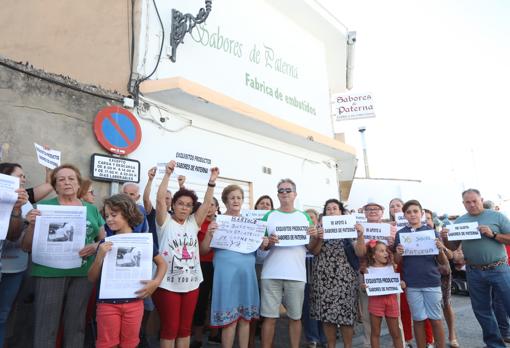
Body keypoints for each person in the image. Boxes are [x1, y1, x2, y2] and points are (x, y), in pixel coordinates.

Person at [21, 164, 105, 348]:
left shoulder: (91, 209)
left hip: (83, 274)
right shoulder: (43, 207)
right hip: (49, 273)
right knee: (46, 326)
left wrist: (94, 246)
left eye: (71, 178)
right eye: (61, 179)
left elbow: (104, 240)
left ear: (78, 183)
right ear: (55, 185)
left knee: (76, 325)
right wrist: (32, 225)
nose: (67, 182)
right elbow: (26, 246)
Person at [152, 161, 219, 348]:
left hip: (192, 284)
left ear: (192, 209)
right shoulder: (164, 222)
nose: (184, 207)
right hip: (167, 285)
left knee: (184, 329)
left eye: (188, 205)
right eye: (180, 203)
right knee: (170, 328)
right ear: (173, 204)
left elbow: (206, 204)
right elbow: (158, 200)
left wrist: (212, 182)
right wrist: (167, 175)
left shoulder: (193, 223)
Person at [87, 194, 167, 348]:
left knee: (130, 344)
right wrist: (99, 257)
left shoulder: (143, 242)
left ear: (127, 213)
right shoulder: (105, 243)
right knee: (106, 344)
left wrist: (155, 283)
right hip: (107, 304)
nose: (109, 219)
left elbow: (162, 264)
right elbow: (91, 278)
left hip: (134, 303)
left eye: (113, 214)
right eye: (107, 215)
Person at [441, 189, 510, 348]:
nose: (472, 205)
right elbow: (453, 246)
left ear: (481, 199)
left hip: (499, 268)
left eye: (475, 201)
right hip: (474, 271)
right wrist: (446, 238)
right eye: (468, 202)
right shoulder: (459, 221)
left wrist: (492, 234)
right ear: (463, 203)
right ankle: (494, 344)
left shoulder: (496, 216)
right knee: (482, 311)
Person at [201, 185, 266, 348]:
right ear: (225, 201)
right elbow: (203, 251)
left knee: (245, 318)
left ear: (242, 200)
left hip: (246, 273)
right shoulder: (218, 222)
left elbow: (260, 248)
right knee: (229, 319)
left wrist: (264, 242)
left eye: (239, 197)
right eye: (232, 198)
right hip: (226, 276)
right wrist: (209, 234)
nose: (236, 201)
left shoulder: (251, 223)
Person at [260, 179, 318, 348]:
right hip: (271, 274)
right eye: (281, 190)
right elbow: (261, 248)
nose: (284, 193)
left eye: (288, 190)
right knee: (269, 318)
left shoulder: (304, 216)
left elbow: (311, 248)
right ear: (277, 194)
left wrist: (315, 237)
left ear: (295, 194)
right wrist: (268, 242)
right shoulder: (268, 216)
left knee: (295, 317)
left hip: (297, 274)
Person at [309, 198, 365, 348]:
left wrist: (360, 236)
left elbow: (360, 253)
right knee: (327, 317)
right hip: (324, 278)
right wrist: (319, 237)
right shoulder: (319, 228)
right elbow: (313, 251)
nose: (332, 211)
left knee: (346, 317)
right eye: (328, 209)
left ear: (341, 212)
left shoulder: (350, 228)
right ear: (325, 213)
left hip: (345, 279)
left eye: (335, 208)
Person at [394, 200, 448, 348]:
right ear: (404, 215)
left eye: (415, 211)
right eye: (409, 212)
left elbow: (442, 260)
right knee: (418, 319)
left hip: (431, 281)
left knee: (435, 319)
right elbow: (397, 260)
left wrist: (441, 249)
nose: (412, 214)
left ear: (421, 213)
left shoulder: (431, 232)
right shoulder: (401, 234)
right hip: (412, 283)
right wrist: (398, 253)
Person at [389, 198, 433, 348]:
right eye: (392, 206)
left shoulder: (425, 228)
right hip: (400, 268)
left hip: (421, 269)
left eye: (398, 205)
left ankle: (429, 339)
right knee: (405, 308)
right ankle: (407, 339)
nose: (395, 208)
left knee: (424, 308)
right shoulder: (391, 228)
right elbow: (395, 255)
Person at [0, 162, 30, 346]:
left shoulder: (26, 201)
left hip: (15, 268)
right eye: (20, 175)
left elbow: (13, 236)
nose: (24, 179)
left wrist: (18, 209)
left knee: (3, 315)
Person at [424, 209, 459, 348]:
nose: (425, 221)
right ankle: (431, 338)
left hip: (441, 273)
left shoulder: (438, 235)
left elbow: (451, 256)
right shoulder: (414, 234)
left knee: (446, 304)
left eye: (428, 218)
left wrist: (442, 247)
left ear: (433, 221)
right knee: (428, 307)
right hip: (424, 274)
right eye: (423, 219)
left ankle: (452, 335)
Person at [190, 197, 221, 348]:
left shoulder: (223, 223)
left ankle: (215, 334)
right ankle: (198, 337)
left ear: (217, 207)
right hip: (201, 265)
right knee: (201, 301)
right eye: (206, 206)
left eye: (212, 205)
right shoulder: (197, 224)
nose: (209, 208)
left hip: (220, 265)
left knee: (217, 300)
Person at [363, 240, 404, 348]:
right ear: (373, 256)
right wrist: (364, 287)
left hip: (391, 301)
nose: (386, 253)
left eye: (386, 251)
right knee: (375, 332)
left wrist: (401, 283)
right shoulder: (368, 270)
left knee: (395, 333)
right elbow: (365, 287)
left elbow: (397, 283)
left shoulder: (392, 267)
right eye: (381, 251)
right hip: (375, 302)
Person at [248, 195, 275, 348]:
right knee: (253, 310)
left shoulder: (276, 223)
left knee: (268, 311)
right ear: (256, 207)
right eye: (262, 203)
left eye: (268, 204)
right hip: (253, 269)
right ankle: (250, 343)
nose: (265, 206)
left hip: (271, 270)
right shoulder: (249, 222)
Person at [302, 208, 327, 348]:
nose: (309, 220)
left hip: (320, 271)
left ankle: (323, 337)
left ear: (317, 219)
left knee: (322, 306)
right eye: (307, 217)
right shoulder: (300, 230)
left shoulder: (324, 231)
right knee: (308, 306)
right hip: (304, 271)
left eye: (312, 217)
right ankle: (312, 338)